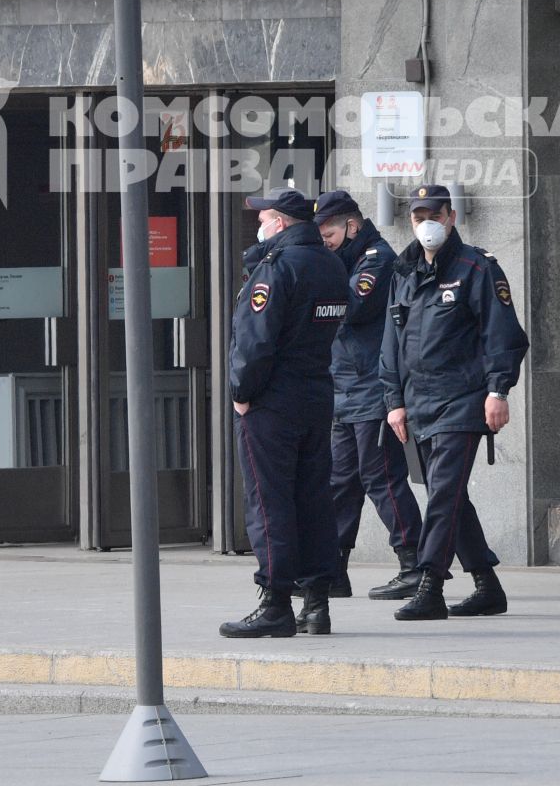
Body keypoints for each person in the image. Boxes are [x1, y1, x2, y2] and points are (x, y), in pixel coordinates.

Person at [380, 184, 530, 621]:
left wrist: (498, 391)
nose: (425, 222)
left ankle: (430, 585)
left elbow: (502, 336)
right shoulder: (404, 271)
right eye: (417, 214)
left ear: (451, 216)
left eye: (433, 213)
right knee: (450, 496)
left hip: (464, 400)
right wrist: (394, 401)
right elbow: (391, 343)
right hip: (418, 404)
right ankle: (487, 583)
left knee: (443, 494)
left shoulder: (477, 268)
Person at [219, 187, 352, 639]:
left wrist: (241, 391)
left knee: (269, 498)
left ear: (280, 222)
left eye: (264, 217)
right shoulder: (332, 265)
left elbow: (257, 341)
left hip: (273, 399)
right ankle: (316, 603)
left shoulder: (276, 269)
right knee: (313, 498)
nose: (260, 224)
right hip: (317, 393)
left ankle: (275, 601)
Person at [309, 189, 424, 615]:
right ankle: (333, 569)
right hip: (344, 386)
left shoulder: (376, 258)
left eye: (331, 233)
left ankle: (413, 561)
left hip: (373, 387)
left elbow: (353, 306)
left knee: (381, 477)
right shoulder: (344, 259)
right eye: (320, 236)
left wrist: (320, 276)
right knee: (340, 480)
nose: (325, 241)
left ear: (352, 226)